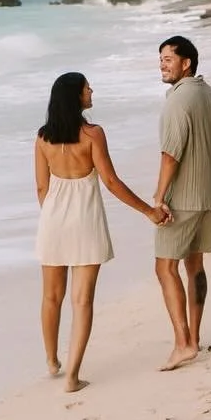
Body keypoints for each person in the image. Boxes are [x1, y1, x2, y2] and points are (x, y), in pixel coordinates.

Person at [34, 70, 166, 392]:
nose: (91, 91)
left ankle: (52, 360)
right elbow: (110, 181)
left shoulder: (42, 137)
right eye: (86, 88)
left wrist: (53, 216)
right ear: (75, 97)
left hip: (52, 220)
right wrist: (149, 211)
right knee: (82, 301)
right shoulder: (93, 134)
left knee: (51, 296)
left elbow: (41, 187)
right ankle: (72, 376)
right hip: (85, 220)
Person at [151, 34, 211, 371]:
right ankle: (194, 339)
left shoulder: (178, 101)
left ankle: (182, 344)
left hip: (183, 199)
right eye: (161, 59)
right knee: (195, 266)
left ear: (187, 63)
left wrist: (159, 196)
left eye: (168, 59)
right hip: (209, 196)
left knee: (164, 267)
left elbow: (171, 154)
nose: (162, 65)